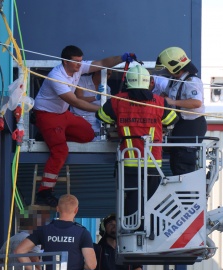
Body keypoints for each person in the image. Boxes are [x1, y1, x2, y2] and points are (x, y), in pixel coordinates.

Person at [33, 45, 137, 207]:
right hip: (47, 115)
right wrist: (106, 110)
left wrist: (121, 58)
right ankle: (44, 191)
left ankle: (49, 135)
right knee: (60, 151)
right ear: (65, 62)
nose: (79, 65)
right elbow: (75, 102)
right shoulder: (57, 76)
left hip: (62, 114)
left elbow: (102, 62)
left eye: (81, 61)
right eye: (76, 62)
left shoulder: (78, 68)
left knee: (87, 134)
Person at [96, 64, 178, 220]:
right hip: (152, 162)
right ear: (148, 82)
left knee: (131, 200)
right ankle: (147, 230)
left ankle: (131, 227)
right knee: (151, 201)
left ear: (128, 81)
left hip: (128, 162)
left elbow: (101, 116)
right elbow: (173, 119)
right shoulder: (160, 102)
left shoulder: (117, 100)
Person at [155, 47, 207, 176]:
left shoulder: (192, 81)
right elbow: (165, 95)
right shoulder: (174, 81)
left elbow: (196, 102)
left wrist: (172, 102)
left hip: (192, 125)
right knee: (176, 159)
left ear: (174, 66)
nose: (166, 70)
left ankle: (187, 193)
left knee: (183, 162)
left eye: (167, 67)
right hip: (180, 124)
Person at [71, 69, 111, 137]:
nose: (106, 76)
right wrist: (95, 97)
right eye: (103, 73)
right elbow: (77, 99)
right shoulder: (82, 80)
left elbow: (108, 106)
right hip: (80, 120)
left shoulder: (107, 88)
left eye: (109, 74)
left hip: (97, 122)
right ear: (96, 71)